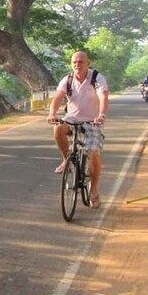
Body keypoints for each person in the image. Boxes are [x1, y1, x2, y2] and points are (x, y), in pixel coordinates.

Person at [47, 51, 109, 209]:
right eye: (74, 62)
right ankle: (65, 159)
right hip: (72, 119)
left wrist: (101, 115)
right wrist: (52, 113)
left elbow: (103, 97)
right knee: (58, 129)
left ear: (88, 63)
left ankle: (93, 189)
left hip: (92, 121)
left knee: (93, 154)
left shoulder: (96, 78)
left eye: (81, 61)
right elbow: (58, 97)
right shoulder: (67, 80)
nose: (77, 64)